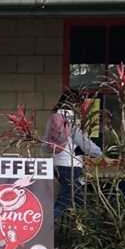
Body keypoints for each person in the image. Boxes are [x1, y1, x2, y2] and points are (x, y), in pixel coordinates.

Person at [43, 89, 102, 219]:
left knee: (78, 199)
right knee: (65, 200)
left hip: (56, 164)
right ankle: (46, 227)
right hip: (71, 165)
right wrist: (99, 153)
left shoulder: (54, 117)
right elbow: (83, 142)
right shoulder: (72, 118)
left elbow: (45, 145)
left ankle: (81, 229)